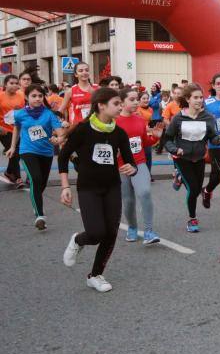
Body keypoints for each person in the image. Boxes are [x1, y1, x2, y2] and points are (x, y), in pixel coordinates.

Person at [60, 88, 137, 293]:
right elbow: (63, 155)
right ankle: (78, 240)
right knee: (95, 233)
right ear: (101, 105)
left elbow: (130, 160)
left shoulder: (119, 133)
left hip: (112, 186)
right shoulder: (83, 130)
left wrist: (132, 168)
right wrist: (65, 186)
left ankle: (95, 275)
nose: (121, 107)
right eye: (116, 103)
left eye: (121, 103)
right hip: (88, 187)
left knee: (110, 233)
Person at [5, 83, 65, 229]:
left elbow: (60, 133)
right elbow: (17, 128)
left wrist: (57, 139)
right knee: (35, 179)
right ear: (27, 97)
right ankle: (39, 215)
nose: (37, 99)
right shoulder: (19, 114)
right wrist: (13, 147)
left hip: (46, 152)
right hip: (27, 151)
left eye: (40, 96)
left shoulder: (49, 114)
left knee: (41, 183)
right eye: (34, 96)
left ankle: (36, 201)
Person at [163, 83, 220, 232]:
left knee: (196, 186)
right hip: (182, 159)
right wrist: (175, 149)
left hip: (199, 159)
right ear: (188, 99)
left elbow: (212, 137)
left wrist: (219, 139)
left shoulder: (207, 118)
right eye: (195, 97)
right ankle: (192, 219)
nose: (199, 100)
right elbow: (167, 139)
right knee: (194, 189)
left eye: (201, 97)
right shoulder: (178, 118)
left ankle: (180, 178)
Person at [116, 88, 161, 245]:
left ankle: (149, 231)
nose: (136, 102)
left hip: (139, 162)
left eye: (137, 99)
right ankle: (132, 227)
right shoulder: (113, 122)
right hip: (120, 167)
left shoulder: (140, 120)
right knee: (128, 200)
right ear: (121, 103)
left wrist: (155, 138)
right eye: (132, 99)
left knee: (145, 192)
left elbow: (144, 142)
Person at [202, 74, 220, 209]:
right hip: (215, 143)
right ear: (213, 86)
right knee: (218, 174)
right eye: (218, 83)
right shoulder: (207, 103)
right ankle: (207, 190)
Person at [0, 75, 25, 187]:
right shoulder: (1, 96)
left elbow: (23, 112)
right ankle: (17, 177)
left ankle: (9, 172)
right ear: (5, 84)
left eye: (16, 83)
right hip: (2, 129)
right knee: (14, 151)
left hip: (16, 129)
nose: (15, 85)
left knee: (16, 151)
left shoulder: (20, 96)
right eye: (12, 83)